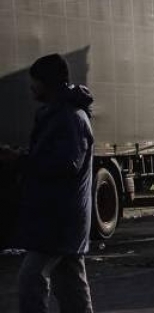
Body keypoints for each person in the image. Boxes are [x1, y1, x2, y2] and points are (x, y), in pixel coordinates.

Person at [2, 54, 96, 313]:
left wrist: (20, 160)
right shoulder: (59, 114)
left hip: (59, 217)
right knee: (71, 285)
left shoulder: (69, 117)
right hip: (61, 216)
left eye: (35, 81)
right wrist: (23, 157)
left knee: (31, 278)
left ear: (48, 82)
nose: (31, 87)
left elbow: (67, 164)